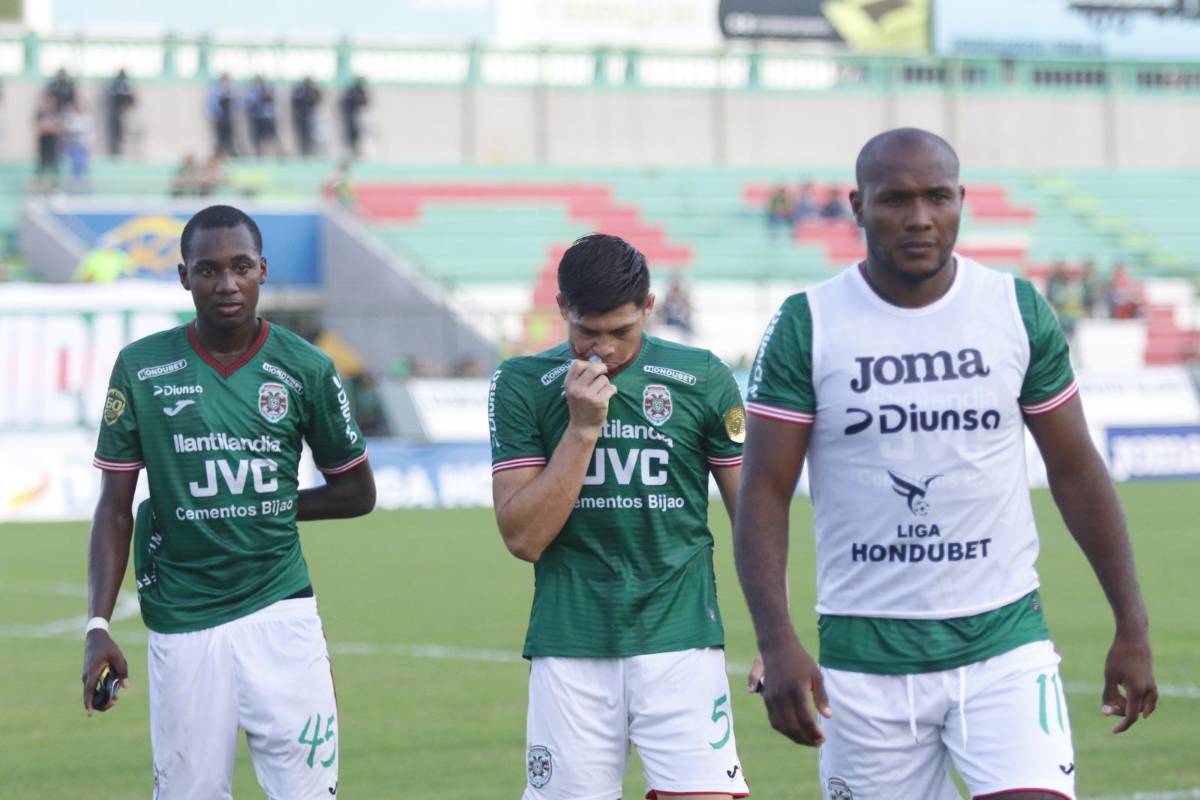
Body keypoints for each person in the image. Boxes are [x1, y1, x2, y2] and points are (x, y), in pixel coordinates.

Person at [734, 128, 1157, 800]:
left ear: (961, 200)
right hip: (863, 662)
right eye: (896, 199)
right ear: (857, 205)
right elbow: (763, 494)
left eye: (937, 197)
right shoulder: (807, 324)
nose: (920, 217)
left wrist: (1131, 623)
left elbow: (1077, 472)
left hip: (1004, 646)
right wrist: (777, 640)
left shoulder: (1014, 310)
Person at [81, 204, 375, 798]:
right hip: (182, 623)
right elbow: (114, 507)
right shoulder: (140, 369)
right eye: (208, 269)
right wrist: (97, 624)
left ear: (263, 270)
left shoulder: (306, 369)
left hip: (281, 613)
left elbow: (356, 492)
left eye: (241, 266)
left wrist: (271, 506)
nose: (227, 283)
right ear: (184, 277)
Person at [489, 233, 752, 799]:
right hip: (570, 643)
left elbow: (753, 521)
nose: (602, 350)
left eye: (621, 332)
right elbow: (523, 537)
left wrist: (776, 642)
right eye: (587, 332)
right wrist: (583, 428)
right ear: (562, 311)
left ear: (650, 307)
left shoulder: (703, 377)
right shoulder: (520, 384)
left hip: (682, 640)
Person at [245, 75, 280, 158]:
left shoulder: (270, 89)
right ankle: (258, 154)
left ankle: (274, 154)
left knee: (271, 137)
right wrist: (258, 99)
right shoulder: (252, 91)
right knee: (257, 139)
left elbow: (273, 101)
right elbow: (249, 103)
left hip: (268, 118)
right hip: (257, 118)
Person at [106, 68, 136, 156]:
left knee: (124, 133)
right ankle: (115, 151)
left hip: (124, 112)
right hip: (115, 112)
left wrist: (126, 107)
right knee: (115, 132)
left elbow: (132, 101)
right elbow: (110, 99)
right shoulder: (115, 85)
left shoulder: (127, 86)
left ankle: (123, 151)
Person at [208, 73, 239, 157]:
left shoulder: (231, 90)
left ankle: (232, 153)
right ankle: (219, 154)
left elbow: (236, 104)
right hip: (220, 117)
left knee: (229, 137)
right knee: (220, 138)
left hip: (228, 117)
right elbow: (212, 104)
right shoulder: (216, 90)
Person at [291, 76, 322, 157]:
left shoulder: (314, 90)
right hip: (301, 117)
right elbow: (296, 102)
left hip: (312, 116)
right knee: (303, 137)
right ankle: (304, 153)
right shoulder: (299, 91)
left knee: (315, 136)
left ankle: (314, 153)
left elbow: (318, 99)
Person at [339, 76, 369, 158]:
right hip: (350, 118)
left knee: (360, 136)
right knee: (350, 136)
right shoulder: (351, 92)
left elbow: (366, 102)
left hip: (358, 117)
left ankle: (358, 152)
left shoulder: (361, 91)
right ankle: (351, 153)